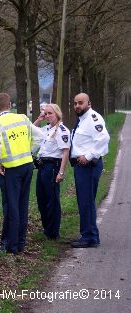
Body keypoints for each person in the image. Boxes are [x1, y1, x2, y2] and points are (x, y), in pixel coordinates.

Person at [0, 93, 43, 254]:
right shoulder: (23, 118)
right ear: (10, 105)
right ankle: (21, 244)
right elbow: (40, 137)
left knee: (12, 207)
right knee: (23, 205)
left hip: (11, 169)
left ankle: (11, 246)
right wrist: (29, 152)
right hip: (27, 166)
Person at [69, 93, 110, 248]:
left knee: (86, 202)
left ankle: (89, 237)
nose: (77, 106)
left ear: (89, 103)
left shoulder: (93, 118)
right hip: (82, 167)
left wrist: (88, 155)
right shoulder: (83, 120)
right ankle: (89, 234)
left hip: (88, 166)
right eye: (75, 103)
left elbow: (104, 138)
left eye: (80, 103)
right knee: (85, 201)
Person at [33, 103, 70, 240]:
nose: (47, 116)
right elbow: (31, 130)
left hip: (52, 166)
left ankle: (53, 232)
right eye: (46, 113)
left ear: (57, 114)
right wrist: (39, 118)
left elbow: (65, 152)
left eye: (50, 113)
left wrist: (61, 172)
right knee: (41, 198)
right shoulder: (47, 128)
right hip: (42, 166)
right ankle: (47, 228)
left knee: (52, 200)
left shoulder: (62, 130)